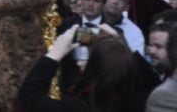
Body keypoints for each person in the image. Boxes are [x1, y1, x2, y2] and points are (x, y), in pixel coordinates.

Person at [18, 26, 146, 111]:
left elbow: (29, 97)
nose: (80, 64)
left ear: (95, 69)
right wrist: (121, 46)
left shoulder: (76, 107)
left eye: (88, 61)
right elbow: (151, 80)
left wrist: (54, 54)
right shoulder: (140, 101)